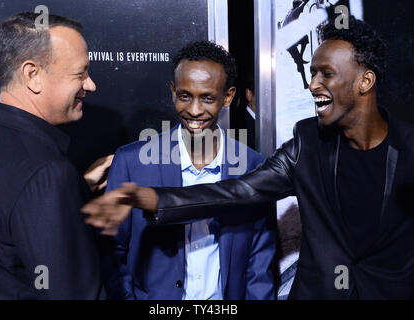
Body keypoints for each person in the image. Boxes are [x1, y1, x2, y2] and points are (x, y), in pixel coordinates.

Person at [83, 16, 414, 299]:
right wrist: (148, 197)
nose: (312, 84)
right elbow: (236, 192)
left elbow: (258, 258)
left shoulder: (409, 150)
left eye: (325, 74)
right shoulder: (308, 142)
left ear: (364, 81)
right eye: (312, 73)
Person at [101, 41, 276, 300]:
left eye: (207, 98)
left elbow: (259, 263)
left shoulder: (253, 167)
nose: (194, 110)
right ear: (173, 92)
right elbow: (111, 251)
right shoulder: (132, 162)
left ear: (227, 97)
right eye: (185, 96)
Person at [0, 12, 108, 299]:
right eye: (80, 73)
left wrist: (76, 192)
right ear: (32, 75)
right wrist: (60, 189)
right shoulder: (48, 173)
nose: (90, 85)